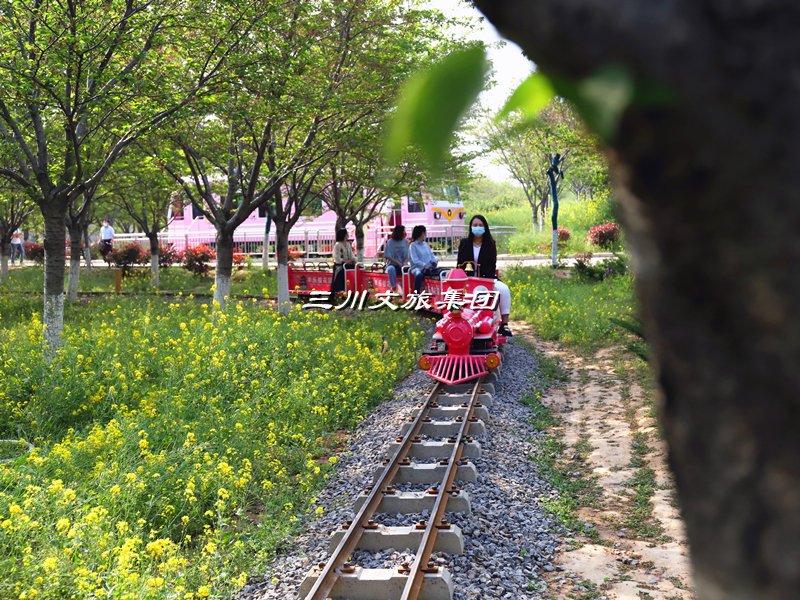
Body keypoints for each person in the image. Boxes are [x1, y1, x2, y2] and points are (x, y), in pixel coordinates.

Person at [457, 214, 514, 336]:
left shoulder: (490, 244)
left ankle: (504, 324)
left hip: (487, 279)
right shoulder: (464, 243)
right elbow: (459, 265)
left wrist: (483, 281)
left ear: (485, 227)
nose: (477, 227)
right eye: (475, 225)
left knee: (504, 289)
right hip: (467, 280)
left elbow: (491, 266)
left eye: (480, 225)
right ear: (471, 227)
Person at [409, 225, 439, 293]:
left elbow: (432, 256)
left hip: (429, 267)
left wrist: (435, 261)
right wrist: (424, 265)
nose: (426, 234)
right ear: (421, 233)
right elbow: (415, 260)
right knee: (419, 275)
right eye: (425, 232)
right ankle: (416, 294)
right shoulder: (413, 245)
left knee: (441, 272)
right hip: (417, 268)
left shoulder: (425, 244)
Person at [329, 227, 356, 302]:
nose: (348, 235)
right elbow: (336, 257)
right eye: (346, 233)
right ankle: (337, 294)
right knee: (340, 276)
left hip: (347, 265)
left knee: (356, 268)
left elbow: (351, 255)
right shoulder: (338, 244)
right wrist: (344, 261)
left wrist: (353, 260)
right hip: (340, 266)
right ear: (343, 235)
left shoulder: (348, 244)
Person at [383, 225, 409, 292]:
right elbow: (388, 255)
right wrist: (398, 263)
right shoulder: (390, 242)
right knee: (391, 269)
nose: (405, 232)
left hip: (404, 264)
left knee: (410, 270)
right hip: (393, 264)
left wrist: (405, 262)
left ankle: (409, 288)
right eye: (404, 231)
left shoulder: (406, 241)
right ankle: (394, 287)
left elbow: (409, 255)